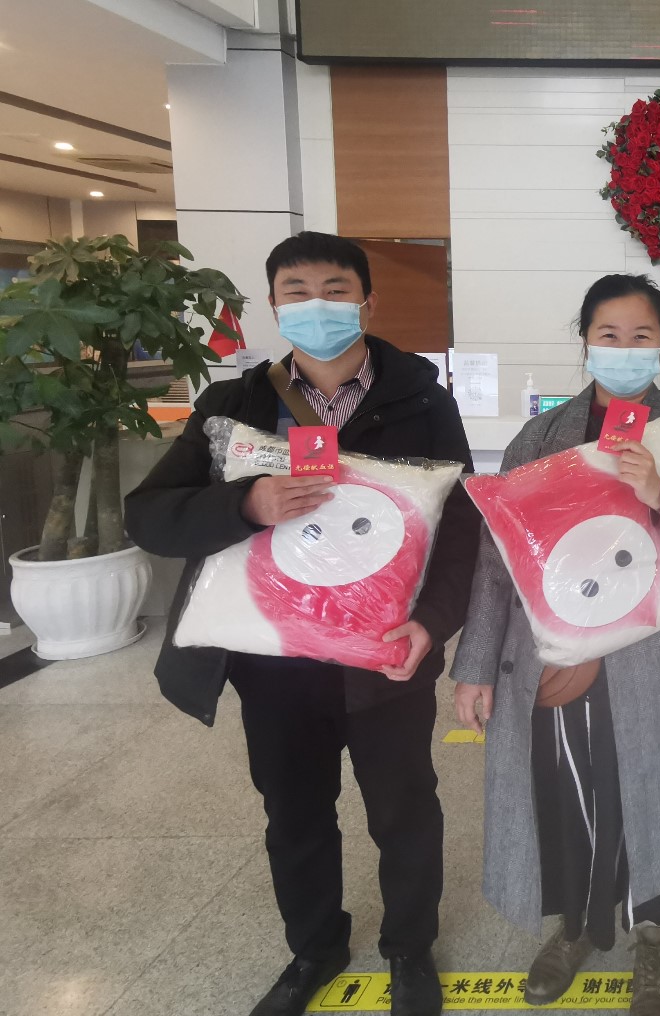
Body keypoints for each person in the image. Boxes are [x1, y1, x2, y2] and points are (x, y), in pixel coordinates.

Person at [125, 231, 479, 1016]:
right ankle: (315, 948)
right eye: (297, 291)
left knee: (404, 810)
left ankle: (409, 949)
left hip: (385, 656)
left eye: (335, 289)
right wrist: (244, 503)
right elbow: (147, 514)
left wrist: (432, 623)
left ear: (367, 302)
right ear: (275, 305)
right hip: (274, 662)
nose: (317, 305)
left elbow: (460, 527)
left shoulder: (422, 399)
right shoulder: (233, 407)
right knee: (294, 814)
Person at [451, 275, 660, 1016]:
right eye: (609, 335)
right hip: (561, 657)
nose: (625, 349)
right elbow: (497, 558)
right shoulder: (541, 438)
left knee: (657, 794)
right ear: (585, 341)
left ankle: (653, 939)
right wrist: (476, 666)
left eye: (641, 335)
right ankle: (576, 928)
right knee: (570, 791)